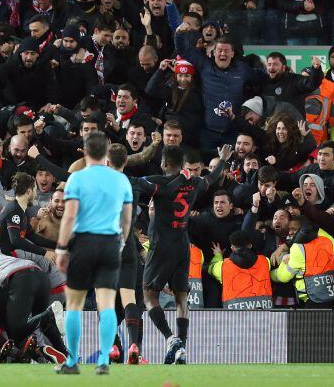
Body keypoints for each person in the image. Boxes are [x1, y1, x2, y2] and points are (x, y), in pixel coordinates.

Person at [137, 143, 232, 365]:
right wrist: (223, 160)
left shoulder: (159, 182)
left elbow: (140, 184)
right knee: (182, 297)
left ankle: (171, 339)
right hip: (182, 245)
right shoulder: (194, 183)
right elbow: (212, 179)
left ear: (164, 163)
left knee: (148, 295)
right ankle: (182, 347)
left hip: (160, 245)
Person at [54, 131, 134, 375]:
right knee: (107, 304)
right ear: (106, 153)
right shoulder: (121, 181)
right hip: (110, 244)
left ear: (86, 151)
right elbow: (127, 218)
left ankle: (71, 362)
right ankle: (104, 361)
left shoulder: (77, 179)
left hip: (85, 243)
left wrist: (61, 247)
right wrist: (120, 242)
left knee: (75, 304)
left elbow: (69, 216)